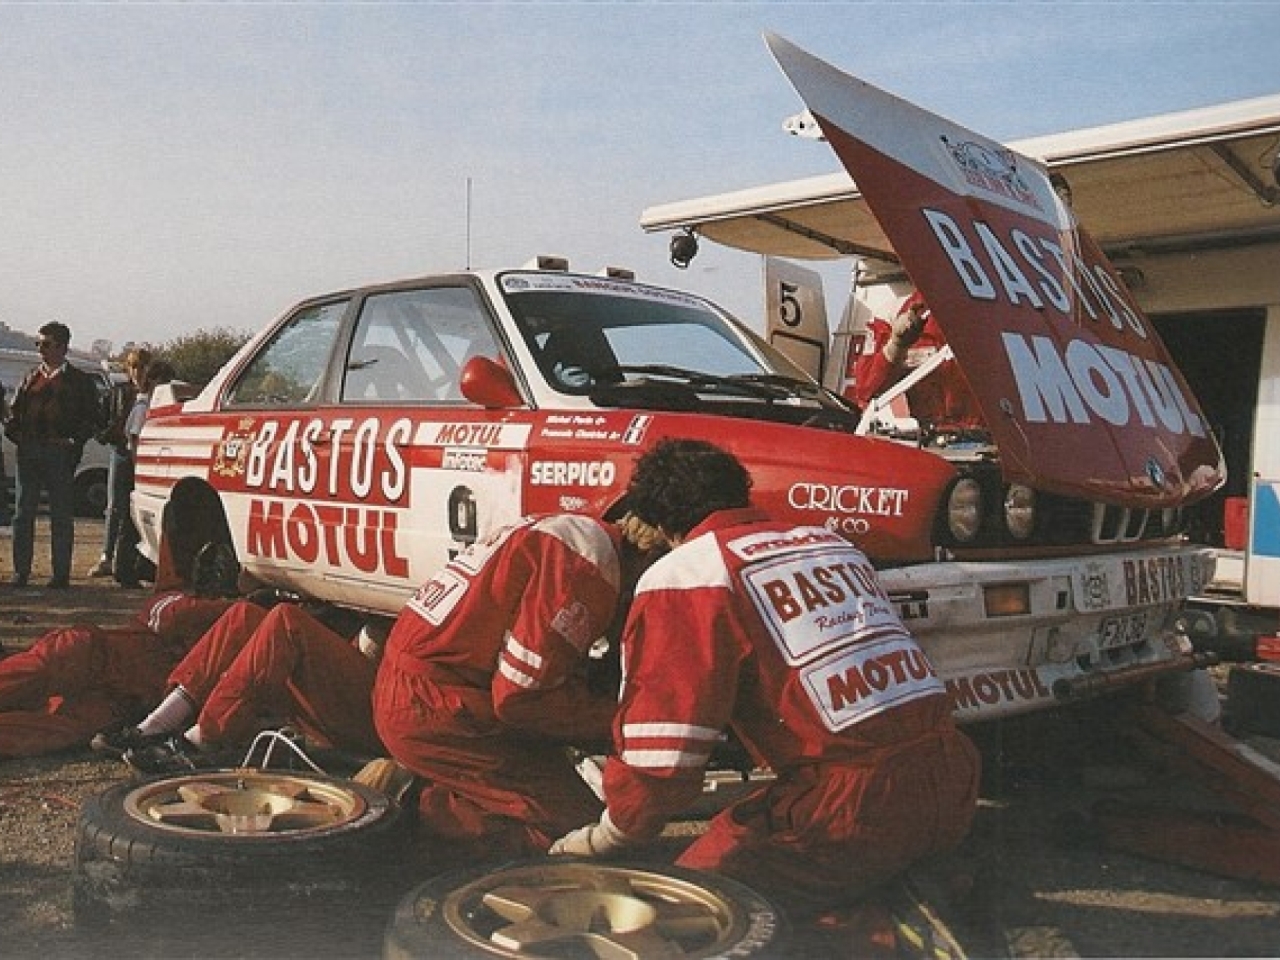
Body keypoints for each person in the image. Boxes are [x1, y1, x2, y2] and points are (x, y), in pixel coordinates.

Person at [549, 439, 981, 920]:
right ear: (740, 490)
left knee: (682, 911)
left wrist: (604, 837)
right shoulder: (832, 544)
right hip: (953, 776)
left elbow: (661, 763)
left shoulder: (688, 572)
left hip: (848, 810)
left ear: (661, 524)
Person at [372, 512, 659, 860]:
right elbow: (520, 697)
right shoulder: (587, 563)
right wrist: (623, 726)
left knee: (569, 796)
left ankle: (425, 785)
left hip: (426, 688)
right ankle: (414, 812)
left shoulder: (573, 529)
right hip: (436, 706)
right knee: (580, 832)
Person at [0, 542, 240, 759]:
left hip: (120, 699)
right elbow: (172, 616)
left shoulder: (233, 641)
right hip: (92, 656)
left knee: (66, 728)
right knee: (33, 673)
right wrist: (234, 607)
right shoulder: (174, 600)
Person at [95, 595, 383, 771]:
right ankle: (157, 724)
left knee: (287, 623)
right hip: (369, 672)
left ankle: (204, 741)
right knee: (245, 615)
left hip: (380, 713)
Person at [3, 322, 102, 589]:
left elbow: (93, 417)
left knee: (61, 515)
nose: (40, 349)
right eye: (38, 344)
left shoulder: (79, 382)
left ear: (62, 347)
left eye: (45, 344)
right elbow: (14, 413)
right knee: (23, 513)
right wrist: (19, 437)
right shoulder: (30, 378)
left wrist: (73, 441)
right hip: (29, 452)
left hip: (60, 454)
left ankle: (60, 575)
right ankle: (21, 572)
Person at [853, 291, 984, 436]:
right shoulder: (891, 315)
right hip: (931, 439)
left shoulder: (992, 314)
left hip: (989, 440)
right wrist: (897, 345)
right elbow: (866, 390)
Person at [88, 348, 150, 581]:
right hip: (122, 452)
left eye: (142, 367)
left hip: (146, 456)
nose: (138, 372)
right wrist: (107, 435)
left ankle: (138, 559)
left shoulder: (155, 393)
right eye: (134, 366)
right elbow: (100, 417)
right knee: (115, 505)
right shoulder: (119, 392)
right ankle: (107, 555)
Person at [112, 358, 175, 587]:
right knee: (128, 521)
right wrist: (140, 468)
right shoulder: (142, 406)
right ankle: (123, 569)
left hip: (139, 465)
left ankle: (141, 567)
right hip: (133, 466)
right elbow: (135, 439)